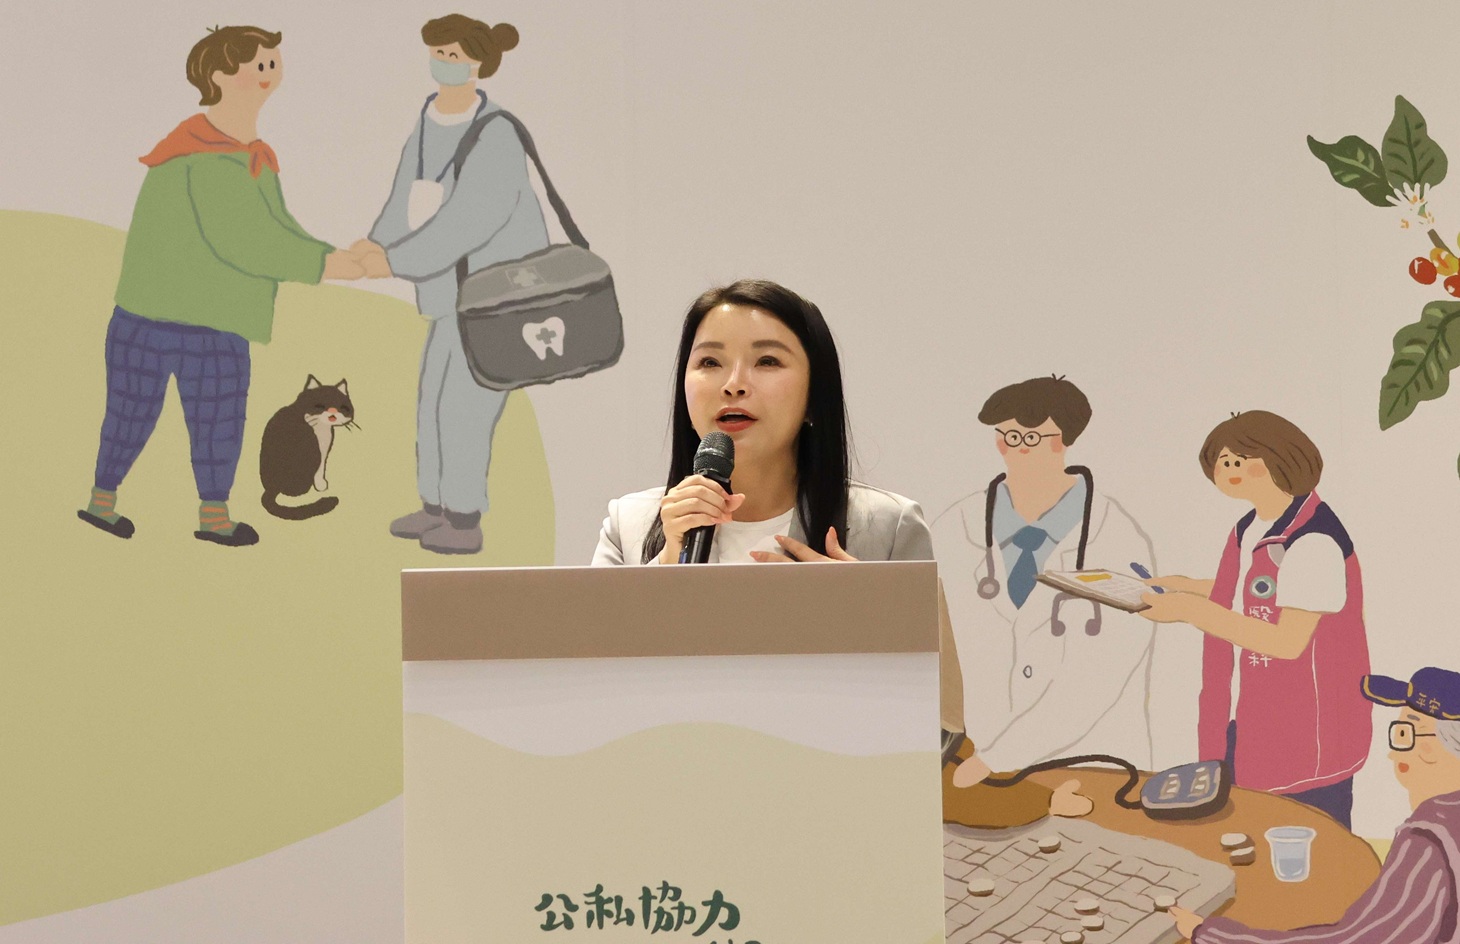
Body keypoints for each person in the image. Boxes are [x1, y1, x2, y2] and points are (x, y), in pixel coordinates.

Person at [77, 25, 362, 548]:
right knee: (134, 414)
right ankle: (103, 503)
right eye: (257, 66)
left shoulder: (249, 154)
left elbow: (278, 227)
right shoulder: (202, 154)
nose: (269, 74)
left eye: (272, 63)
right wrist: (329, 263)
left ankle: (212, 517)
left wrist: (334, 255)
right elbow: (246, 241)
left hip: (214, 320)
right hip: (158, 317)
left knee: (219, 421)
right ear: (218, 76)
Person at [355, 14, 548, 555]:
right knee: (433, 400)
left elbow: (468, 221)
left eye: (453, 54)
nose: (442, 61)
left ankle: (464, 520)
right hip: (448, 298)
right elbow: (405, 195)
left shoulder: (496, 132)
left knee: (466, 409)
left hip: (494, 298)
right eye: (437, 51)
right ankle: (434, 506)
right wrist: (373, 247)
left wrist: (393, 261)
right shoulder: (428, 119)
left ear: (478, 63)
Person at [591, 279, 933, 566]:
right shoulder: (628, 527)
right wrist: (666, 564)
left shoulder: (888, 528)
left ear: (815, 395)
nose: (733, 384)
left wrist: (861, 608)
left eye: (767, 361)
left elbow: (931, 632)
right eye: (710, 362)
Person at [1141, 411, 1371, 827]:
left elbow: (1287, 642)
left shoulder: (1314, 539)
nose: (1230, 469)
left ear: (1283, 458)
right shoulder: (1252, 526)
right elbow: (1255, 587)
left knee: (1309, 840)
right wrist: (1187, 587)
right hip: (1255, 721)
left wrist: (1192, 610)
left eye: (1244, 459)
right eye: (1223, 461)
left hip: (1306, 733)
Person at [931, 376, 1158, 775]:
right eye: (1007, 436)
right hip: (973, 758)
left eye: (1031, 437)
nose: (1016, 448)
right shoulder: (954, 528)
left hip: (1094, 765)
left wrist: (999, 758)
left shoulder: (1117, 536)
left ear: (1065, 440)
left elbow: (1102, 675)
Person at [1172, 665, 1460, 944]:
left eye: (1403, 733)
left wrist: (1209, 934)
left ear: (1433, 748)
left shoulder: (1429, 840)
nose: (1392, 755)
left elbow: (1357, 940)